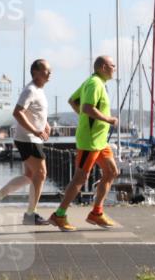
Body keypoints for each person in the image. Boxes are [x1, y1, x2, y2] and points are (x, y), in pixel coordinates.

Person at [49, 56, 120, 231]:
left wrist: (86, 118)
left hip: (100, 141)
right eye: (113, 65)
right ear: (103, 67)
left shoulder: (97, 82)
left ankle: (97, 212)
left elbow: (73, 101)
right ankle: (59, 215)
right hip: (90, 141)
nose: (115, 68)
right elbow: (87, 108)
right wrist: (108, 119)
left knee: (111, 172)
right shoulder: (95, 83)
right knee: (81, 177)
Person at [0, 59, 52, 225]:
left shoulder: (39, 90)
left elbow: (34, 112)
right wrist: (35, 130)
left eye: (50, 70)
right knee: (41, 173)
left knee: (30, 176)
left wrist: (45, 124)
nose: (49, 73)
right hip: (28, 139)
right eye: (45, 70)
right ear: (35, 72)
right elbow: (18, 112)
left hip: (31, 138)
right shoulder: (30, 90)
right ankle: (30, 214)